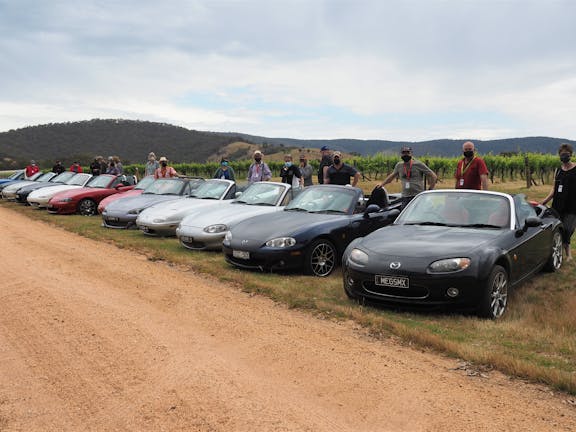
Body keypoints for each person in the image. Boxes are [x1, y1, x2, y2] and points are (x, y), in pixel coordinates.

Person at [540, 143, 576, 261]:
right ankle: (567, 255)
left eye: (566, 154)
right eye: (561, 154)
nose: (564, 156)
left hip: (572, 206)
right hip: (558, 205)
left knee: (568, 229)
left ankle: (565, 253)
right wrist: (544, 201)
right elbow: (554, 189)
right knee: (559, 229)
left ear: (571, 154)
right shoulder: (558, 171)